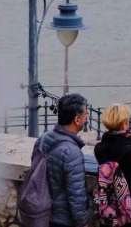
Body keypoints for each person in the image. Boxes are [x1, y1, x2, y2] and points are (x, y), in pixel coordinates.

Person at [37, 94, 92, 227]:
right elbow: (76, 195)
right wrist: (82, 222)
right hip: (63, 219)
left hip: (44, 213)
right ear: (77, 120)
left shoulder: (44, 138)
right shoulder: (72, 152)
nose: (87, 116)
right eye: (86, 113)